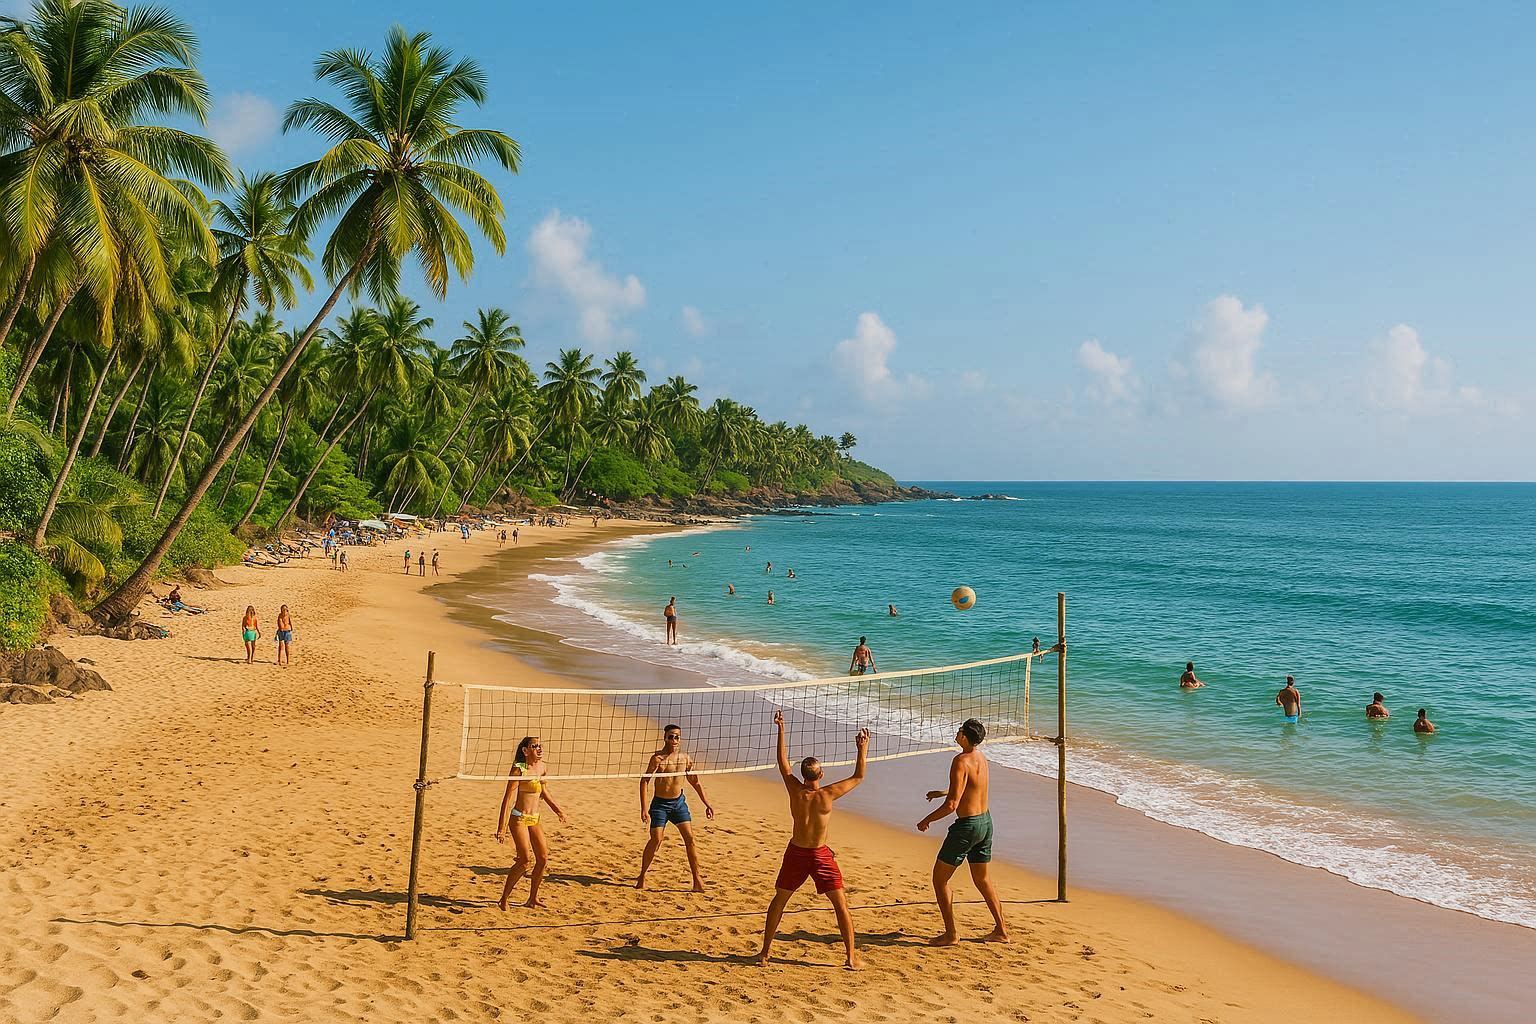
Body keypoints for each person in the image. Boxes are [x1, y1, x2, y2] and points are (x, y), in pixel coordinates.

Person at [757, 711, 869, 969]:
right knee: (841, 905)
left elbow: (783, 763)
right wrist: (862, 748)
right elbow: (858, 776)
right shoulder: (827, 795)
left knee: (779, 900)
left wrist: (781, 729)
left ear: (804, 775)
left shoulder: (795, 790)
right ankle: (851, 957)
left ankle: (764, 953)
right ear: (821, 775)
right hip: (818, 855)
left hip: (796, 851)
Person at [916, 719, 1008, 944]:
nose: (956, 733)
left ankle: (951, 934)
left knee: (939, 880)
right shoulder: (980, 758)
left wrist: (926, 820)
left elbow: (952, 805)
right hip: (985, 823)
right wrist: (942, 792)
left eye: (959, 731)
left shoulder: (959, 761)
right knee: (983, 880)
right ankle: (1001, 931)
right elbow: (971, 785)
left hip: (967, 828)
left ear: (965, 737)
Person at [636, 725, 716, 891]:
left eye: (677, 737)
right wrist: (644, 809)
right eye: (671, 737)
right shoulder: (657, 759)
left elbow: (696, 782)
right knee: (656, 840)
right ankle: (642, 875)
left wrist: (707, 804)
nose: (674, 740)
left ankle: (697, 879)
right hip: (660, 805)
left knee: (690, 839)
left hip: (678, 804)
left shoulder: (685, 759)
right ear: (665, 738)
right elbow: (644, 781)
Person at [495, 736, 567, 909]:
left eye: (540, 745)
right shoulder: (518, 770)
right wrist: (501, 828)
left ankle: (532, 898)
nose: (539, 749)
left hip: (534, 818)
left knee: (542, 859)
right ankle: (504, 897)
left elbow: (544, 792)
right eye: (535, 746)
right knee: (524, 860)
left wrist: (558, 810)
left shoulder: (542, 767)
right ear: (526, 751)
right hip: (518, 817)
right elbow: (507, 800)